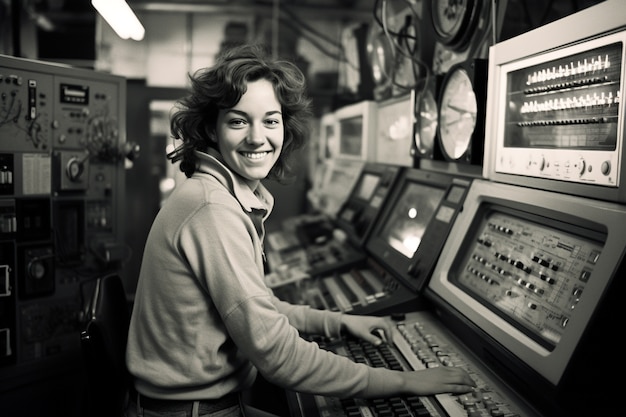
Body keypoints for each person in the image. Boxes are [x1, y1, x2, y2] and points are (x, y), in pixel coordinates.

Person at [124, 43, 475, 417]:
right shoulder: (213, 210)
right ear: (212, 127)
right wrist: (404, 381)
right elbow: (276, 354)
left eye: (270, 120)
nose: (258, 138)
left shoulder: (218, 195)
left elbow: (255, 307)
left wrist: (336, 322)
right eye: (239, 121)